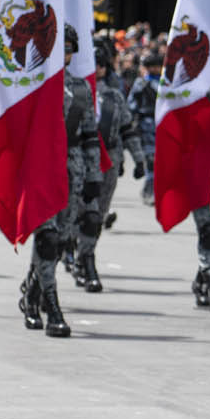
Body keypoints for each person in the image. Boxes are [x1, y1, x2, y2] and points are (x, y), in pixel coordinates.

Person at [19, 27, 101, 338]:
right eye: (59, 48)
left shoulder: (81, 89)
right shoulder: (33, 86)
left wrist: (93, 175)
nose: (64, 53)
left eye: (69, 48)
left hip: (73, 171)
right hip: (42, 168)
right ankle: (51, 306)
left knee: (62, 240)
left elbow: (91, 135)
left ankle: (32, 292)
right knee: (48, 238)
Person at [74, 45, 146, 292]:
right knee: (82, 214)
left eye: (101, 64)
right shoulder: (75, 91)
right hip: (80, 161)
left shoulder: (115, 96)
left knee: (97, 216)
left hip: (110, 161)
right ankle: (78, 255)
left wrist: (139, 159)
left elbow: (127, 128)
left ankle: (86, 256)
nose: (97, 68)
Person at [127, 50, 161, 205]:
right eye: (152, 66)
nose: (155, 69)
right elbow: (131, 104)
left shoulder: (166, 82)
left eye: (158, 66)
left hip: (161, 124)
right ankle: (149, 191)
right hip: (146, 124)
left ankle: (155, 191)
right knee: (150, 159)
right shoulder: (141, 83)